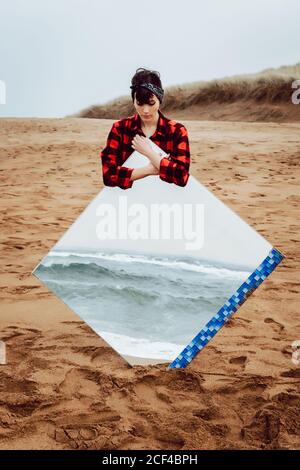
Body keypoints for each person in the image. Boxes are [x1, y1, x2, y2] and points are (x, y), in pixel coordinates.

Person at [100, 67, 190, 190]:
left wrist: (149, 153)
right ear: (133, 101)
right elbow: (108, 175)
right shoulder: (120, 129)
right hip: (127, 204)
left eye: (151, 103)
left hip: (166, 205)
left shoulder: (176, 131)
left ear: (159, 99)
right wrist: (147, 170)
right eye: (140, 103)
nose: (145, 110)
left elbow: (182, 176)